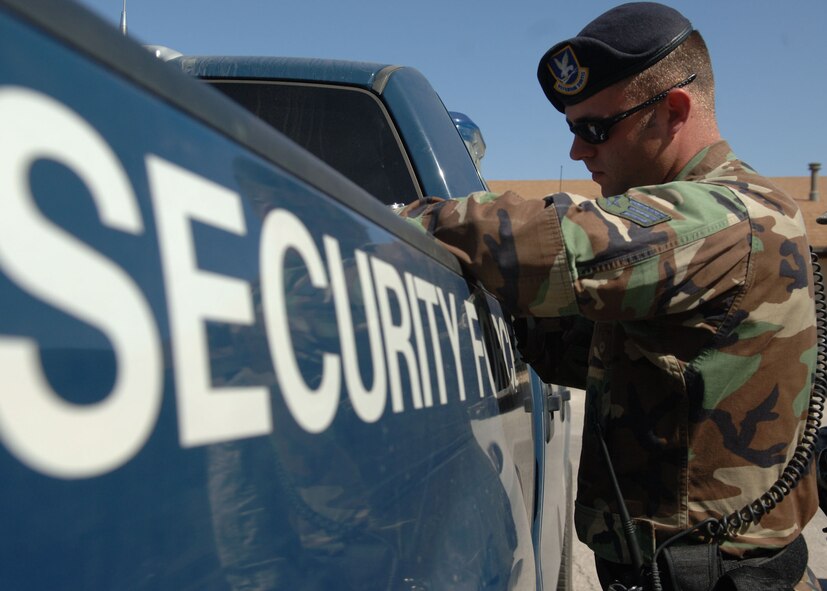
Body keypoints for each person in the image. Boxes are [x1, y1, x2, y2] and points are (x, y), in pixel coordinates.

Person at [400, 3, 821, 589]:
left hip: (712, 575)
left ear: (673, 110)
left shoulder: (729, 215)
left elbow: (555, 245)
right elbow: (598, 352)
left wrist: (387, 221)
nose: (578, 151)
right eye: (573, 128)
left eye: (595, 129)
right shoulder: (709, 236)